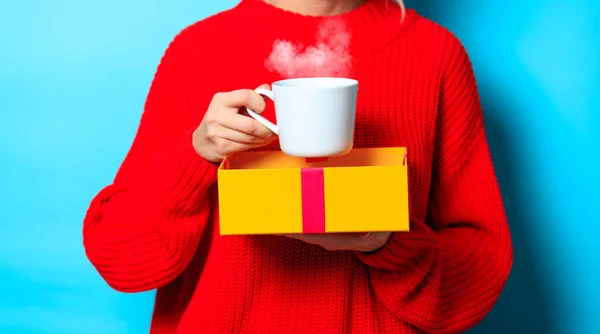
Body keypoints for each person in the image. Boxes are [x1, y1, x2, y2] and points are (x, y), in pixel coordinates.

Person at [83, 0, 514, 333]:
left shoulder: (434, 55)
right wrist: (196, 154)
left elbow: (480, 270)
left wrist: (386, 243)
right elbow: (121, 258)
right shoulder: (198, 51)